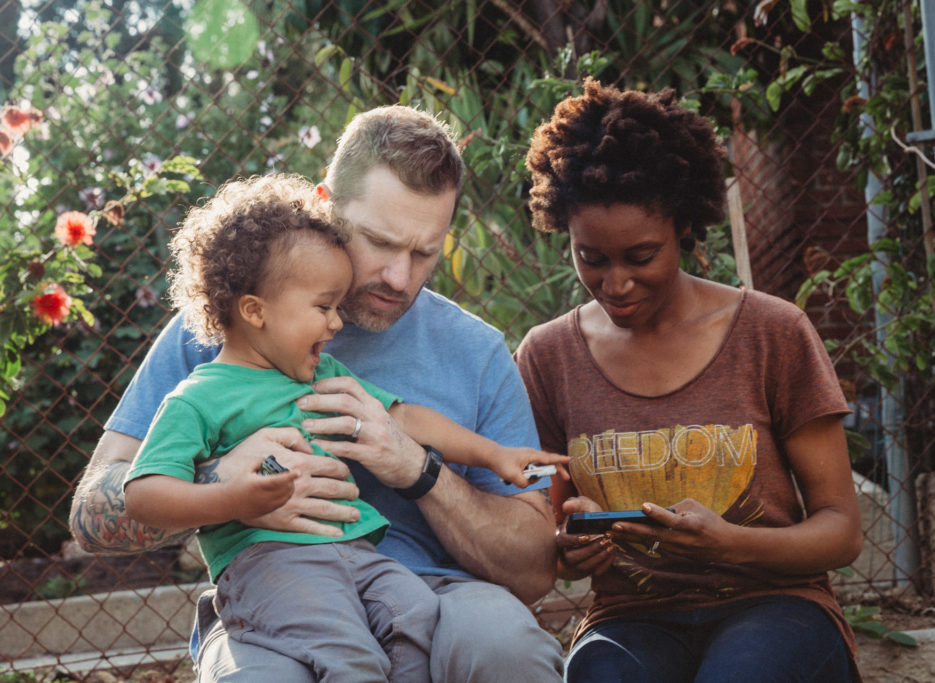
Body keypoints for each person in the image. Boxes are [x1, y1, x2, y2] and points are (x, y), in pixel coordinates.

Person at [69, 105, 564, 682]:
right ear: (325, 205)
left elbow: (534, 572)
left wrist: (418, 470)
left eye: (424, 252)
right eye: (379, 242)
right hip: (278, 592)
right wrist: (224, 482)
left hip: (436, 592)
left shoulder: (475, 351)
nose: (400, 277)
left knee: (507, 649)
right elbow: (89, 517)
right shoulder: (225, 322)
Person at [514, 78, 864, 682]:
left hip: (776, 604)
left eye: (641, 256)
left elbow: (841, 529)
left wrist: (732, 544)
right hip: (629, 618)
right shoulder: (548, 357)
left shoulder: (772, 333)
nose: (616, 283)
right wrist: (570, 550)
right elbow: (551, 532)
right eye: (591, 258)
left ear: (683, 227)